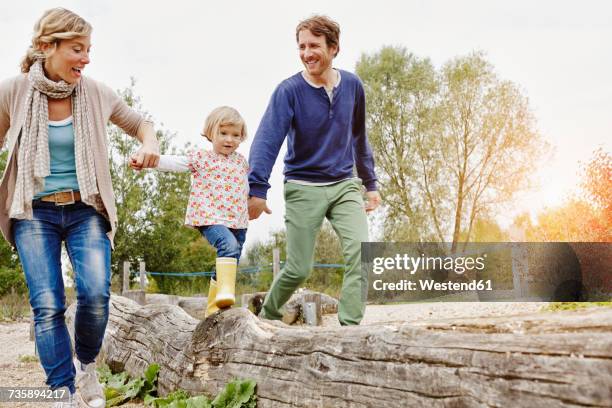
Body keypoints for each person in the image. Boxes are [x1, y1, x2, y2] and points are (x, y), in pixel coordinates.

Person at [0, 8, 160, 408]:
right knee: (48, 304)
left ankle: (85, 367)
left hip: (86, 208)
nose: (86, 58)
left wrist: (149, 144)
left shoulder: (96, 93)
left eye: (89, 49)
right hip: (33, 212)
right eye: (77, 49)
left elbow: (141, 123)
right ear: (45, 47)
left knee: (95, 294)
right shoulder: (13, 92)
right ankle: (61, 390)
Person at [248, 15, 381, 326]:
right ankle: (267, 316)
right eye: (302, 47)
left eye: (314, 46)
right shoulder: (289, 91)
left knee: (362, 255)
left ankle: (349, 330)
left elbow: (359, 137)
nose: (307, 53)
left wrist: (370, 183)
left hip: (344, 184)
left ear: (333, 48)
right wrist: (256, 189)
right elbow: (267, 139)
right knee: (298, 268)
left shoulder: (352, 86)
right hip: (303, 186)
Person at [139, 106, 249, 317]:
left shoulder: (241, 161)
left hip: (238, 219)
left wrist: (256, 201)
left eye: (235, 135)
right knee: (228, 246)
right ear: (211, 133)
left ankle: (213, 310)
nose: (229, 139)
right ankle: (226, 292)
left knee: (232, 256)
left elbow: (247, 186)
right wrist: (149, 161)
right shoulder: (202, 157)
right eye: (223, 133)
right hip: (210, 217)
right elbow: (175, 163)